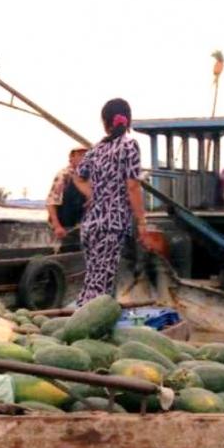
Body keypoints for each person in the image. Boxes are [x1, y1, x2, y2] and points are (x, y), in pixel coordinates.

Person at [72, 98, 153, 305]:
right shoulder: (129, 145)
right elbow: (133, 187)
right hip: (111, 224)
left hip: (90, 224)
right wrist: (142, 222)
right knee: (100, 286)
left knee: (93, 279)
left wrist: (92, 194)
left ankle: (82, 315)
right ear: (128, 120)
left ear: (105, 122)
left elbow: (77, 177)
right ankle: (85, 319)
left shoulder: (96, 149)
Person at [46, 147, 88, 244]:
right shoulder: (64, 175)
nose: (84, 158)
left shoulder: (88, 176)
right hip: (64, 225)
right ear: (71, 158)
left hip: (80, 226)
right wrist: (57, 227)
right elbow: (51, 203)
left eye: (86, 155)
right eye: (80, 155)